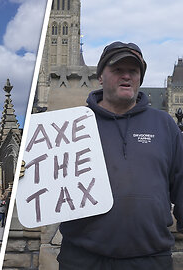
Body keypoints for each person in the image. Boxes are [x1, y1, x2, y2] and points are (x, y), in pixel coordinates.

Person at [57, 41, 183, 270]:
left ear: (140, 78)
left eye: (133, 71)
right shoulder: (72, 127)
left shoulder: (165, 124)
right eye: (117, 70)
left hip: (150, 260)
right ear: (101, 77)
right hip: (82, 260)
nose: (126, 76)